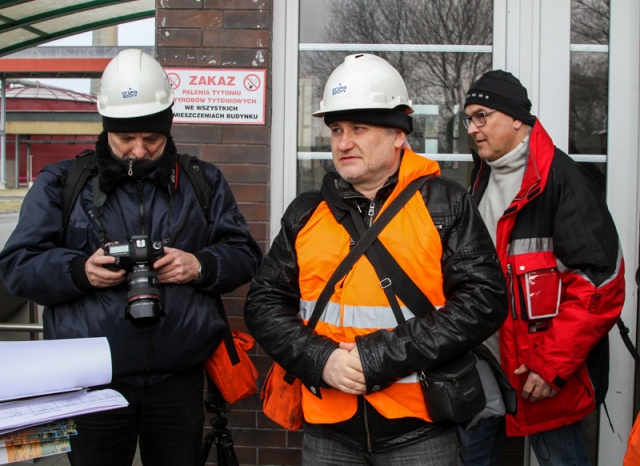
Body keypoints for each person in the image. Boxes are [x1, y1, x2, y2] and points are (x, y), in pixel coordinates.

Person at [0, 49, 262, 466]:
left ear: (168, 129)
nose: (138, 151)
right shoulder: (62, 183)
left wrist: (199, 266)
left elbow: (245, 255)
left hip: (179, 381)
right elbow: (17, 267)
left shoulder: (202, 181)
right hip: (88, 384)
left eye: (152, 139)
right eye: (126, 139)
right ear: (105, 130)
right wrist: (79, 271)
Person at [243, 53, 508, 465]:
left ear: (399, 134)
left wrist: (377, 358)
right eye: (336, 130)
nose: (343, 143)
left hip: (420, 433)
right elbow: (263, 303)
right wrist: (321, 359)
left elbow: (484, 301)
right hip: (327, 431)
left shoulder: (445, 204)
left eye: (359, 129)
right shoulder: (306, 212)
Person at [459, 70, 625, 465]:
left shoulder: (564, 182)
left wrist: (549, 368)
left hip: (537, 371)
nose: (473, 129)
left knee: (560, 458)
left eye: (482, 116)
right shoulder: (482, 175)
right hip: (482, 361)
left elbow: (600, 287)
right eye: (469, 119)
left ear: (517, 118)